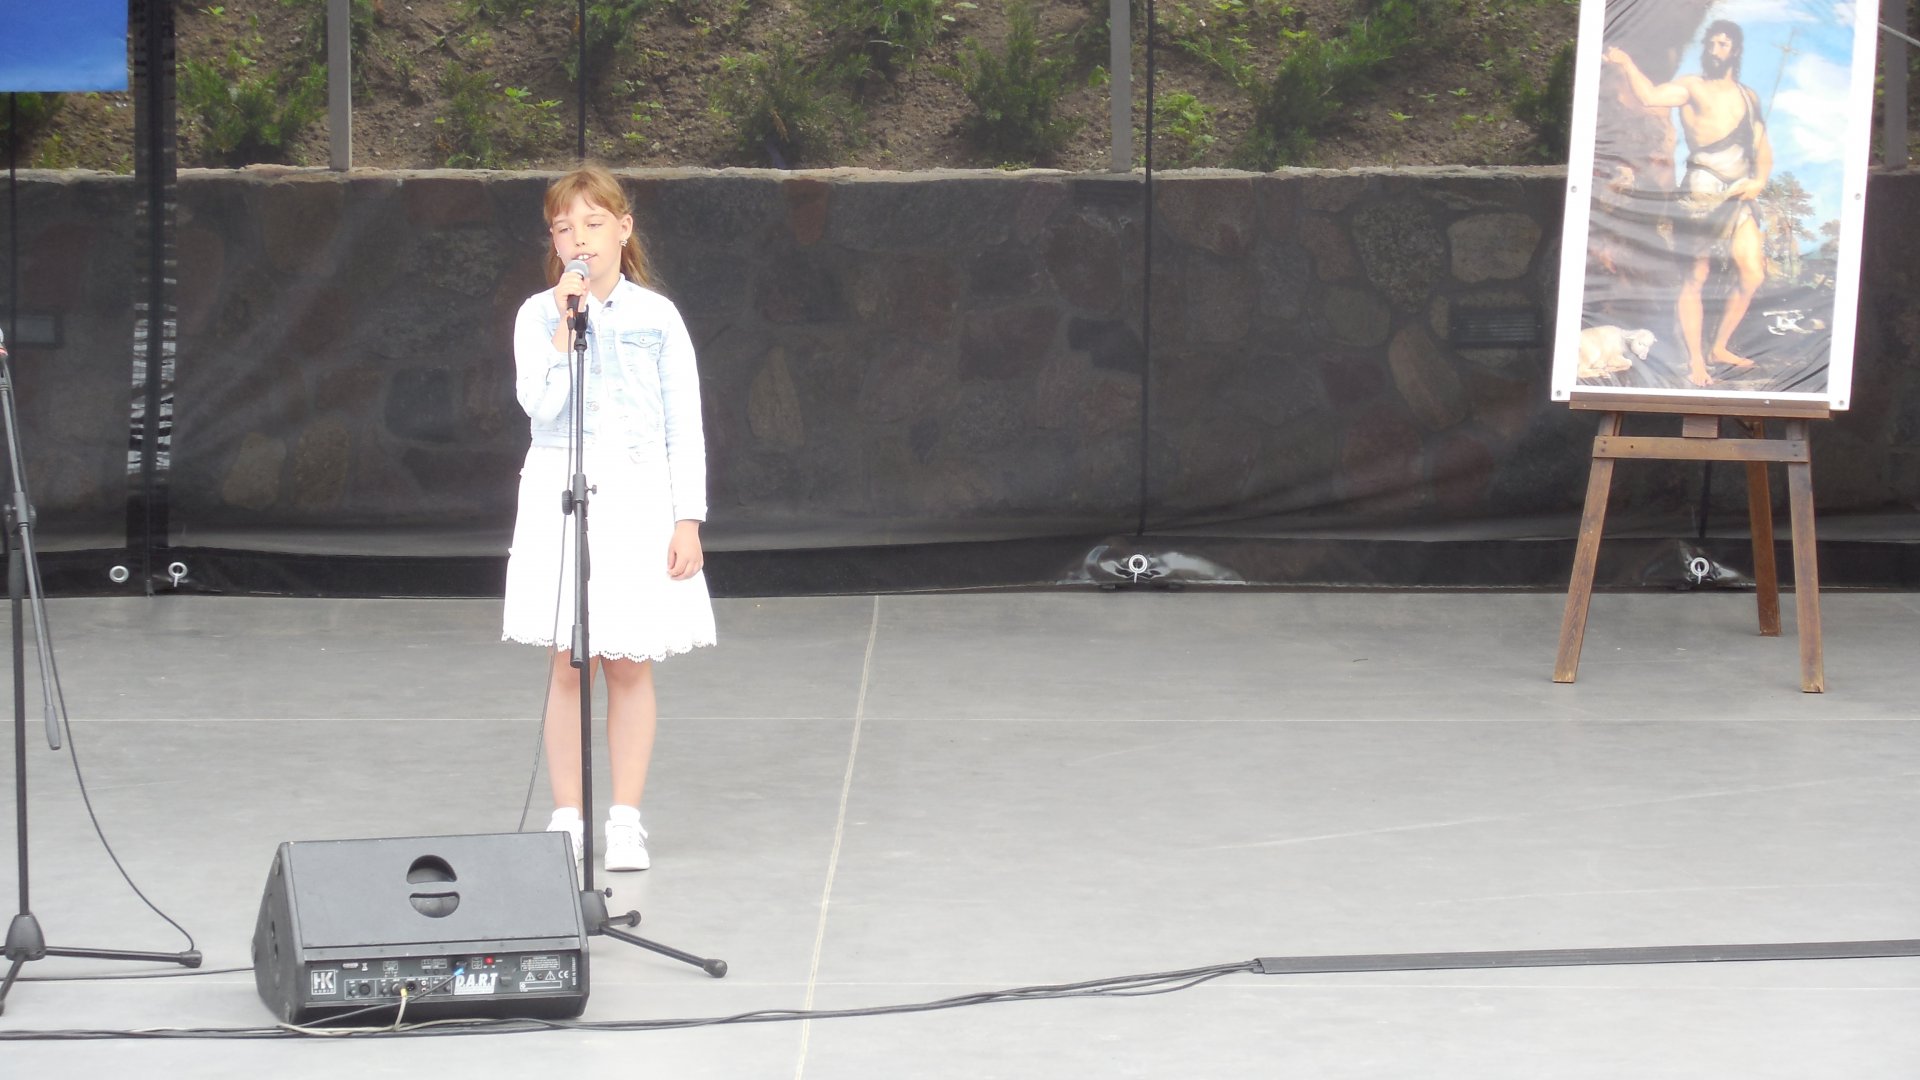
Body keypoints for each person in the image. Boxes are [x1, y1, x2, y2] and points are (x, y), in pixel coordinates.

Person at [501, 165, 715, 873]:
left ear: (623, 229)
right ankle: (568, 816)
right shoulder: (538, 314)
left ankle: (625, 820)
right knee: (570, 664)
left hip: (637, 493)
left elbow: (684, 424)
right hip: (561, 491)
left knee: (628, 663)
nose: (579, 239)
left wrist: (687, 518)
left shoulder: (659, 317)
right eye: (564, 228)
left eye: (593, 223)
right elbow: (539, 406)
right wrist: (566, 329)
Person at [1604, 20, 1773, 388]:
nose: (1715, 50)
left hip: (1739, 193)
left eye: (1723, 44)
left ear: (1735, 50)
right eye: (1711, 43)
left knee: (1752, 273)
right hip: (1701, 189)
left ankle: (1719, 348)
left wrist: (1759, 181)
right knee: (1696, 276)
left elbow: (1762, 148)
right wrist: (1627, 63)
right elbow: (1650, 96)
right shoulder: (1692, 86)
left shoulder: (1748, 96)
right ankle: (1696, 360)